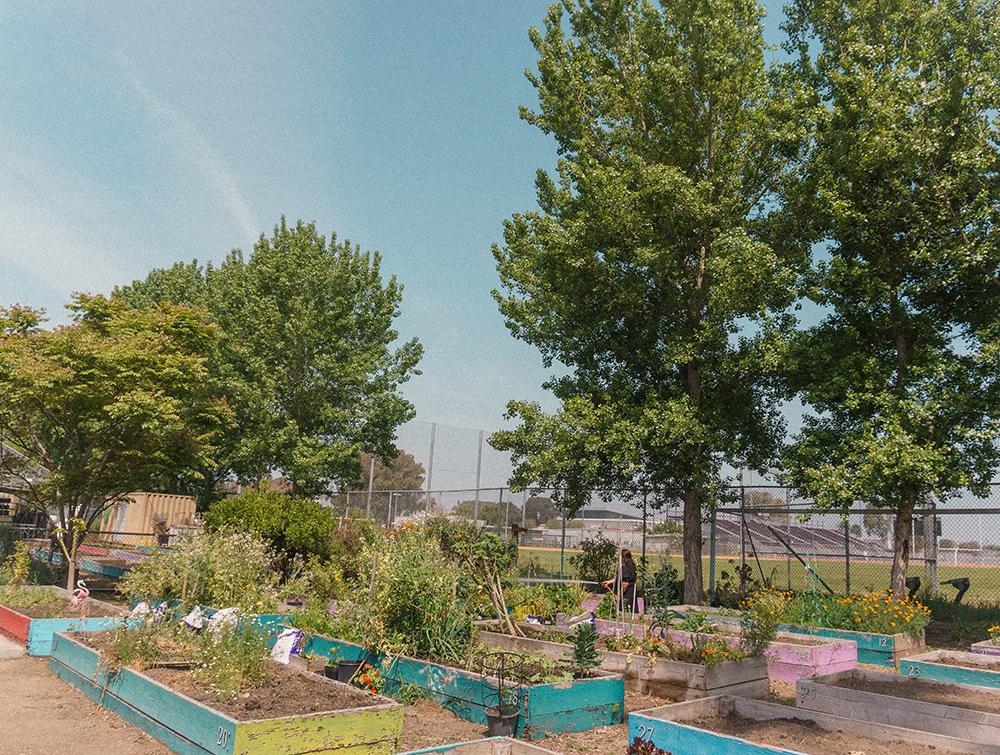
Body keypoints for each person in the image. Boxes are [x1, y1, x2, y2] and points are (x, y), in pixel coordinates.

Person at [601, 549, 638, 613]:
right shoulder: (631, 566)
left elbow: (625, 584)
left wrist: (619, 596)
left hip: (627, 594)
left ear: (622, 557)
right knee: (631, 611)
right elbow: (622, 578)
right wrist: (609, 581)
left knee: (625, 611)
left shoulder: (625, 568)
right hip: (631, 593)